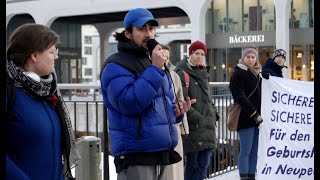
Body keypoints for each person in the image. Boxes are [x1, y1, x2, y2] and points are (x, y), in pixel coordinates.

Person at [100, 8, 194, 180]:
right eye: (142, 29)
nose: (148, 33)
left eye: (151, 29)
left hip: (161, 154)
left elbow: (161, 103)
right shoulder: (115, 65)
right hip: (136, 155)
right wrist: (155, 69)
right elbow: (129, 103)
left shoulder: (152, 63)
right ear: (128, 33)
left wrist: (176, 113)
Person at [6, 23, 80, 180]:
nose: (57, 56)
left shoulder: (48, 92)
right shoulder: (10, 92)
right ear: (34, 56)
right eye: (52, 52)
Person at [175, 40, 219, 180]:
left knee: (204, 165)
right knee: (193, 164)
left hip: (207, 126)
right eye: (196, 53)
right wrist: (198, 117)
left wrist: (214, 113)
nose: (199, 56)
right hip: (194, 126)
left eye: (202, 54)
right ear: (190, 54)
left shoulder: (202, 72)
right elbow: (179, 99)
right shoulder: (182, 73)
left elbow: (208, 98)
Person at [229, 45, 263, 180]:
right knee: (245, 151)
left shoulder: (256, 73)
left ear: (256, 58)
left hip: (257, 119)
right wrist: (254, 113)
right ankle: (244, 177)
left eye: (253, 57)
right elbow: (239, 96)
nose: (250, 59)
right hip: (245, 117)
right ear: (243, 58)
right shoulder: (238, 73)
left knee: (254, 151)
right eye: (248, 57)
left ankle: (251, 176)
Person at [162, 44, 189, 180]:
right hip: (161, 127)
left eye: (167, 56)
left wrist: (185, 128)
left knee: (177, 164)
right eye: (162, 56)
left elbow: (181, 100)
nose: (165, 59)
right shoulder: (152, 74)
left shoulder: (174, 76)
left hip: (175, 125)